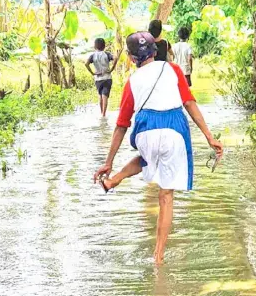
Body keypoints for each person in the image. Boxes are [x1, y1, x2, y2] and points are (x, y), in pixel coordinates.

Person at [93, 32, 223, 265]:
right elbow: (190, 103)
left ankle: (114, 179)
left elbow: (121, 126)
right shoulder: (172, 70)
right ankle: (159, 257)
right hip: (174, 130)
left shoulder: (131, 83)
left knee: (147, 156)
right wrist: (209, 136)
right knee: (166, 196)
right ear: (155, 51)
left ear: (132, 59)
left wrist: (108, 162)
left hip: (145, 131)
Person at [85, 38, 118, 117]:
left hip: (98, 79)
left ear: (95, 46)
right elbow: (115, 58)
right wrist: (112, 69)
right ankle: (104, 114)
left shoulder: (93, 56)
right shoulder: (106, 54)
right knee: (105, 96)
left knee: (100, 96)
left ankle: (101, 113)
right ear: (104, 46)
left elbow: (86, 64)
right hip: (107, 78)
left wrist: (92, 73)